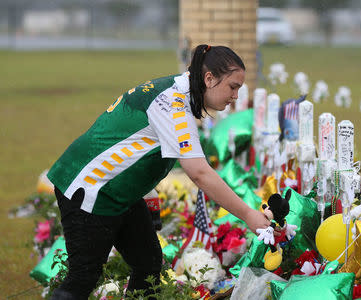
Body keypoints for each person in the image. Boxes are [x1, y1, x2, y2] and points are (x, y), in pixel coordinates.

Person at [47, 44, 271, 299]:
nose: (236, 96)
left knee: (148, 265)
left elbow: (136, 143)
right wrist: (248, 214)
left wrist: (148, 191)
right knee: (83, 276)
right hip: (90, 187)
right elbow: (199, 173)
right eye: (233, 86)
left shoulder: (177, 93)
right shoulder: (174, 103)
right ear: (209, 78)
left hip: (116, 191)